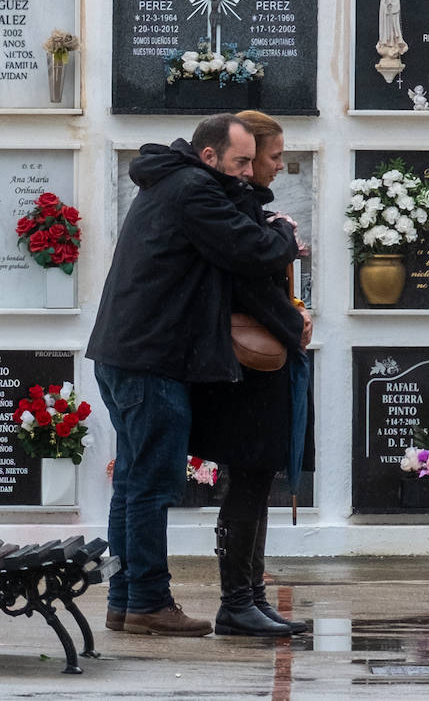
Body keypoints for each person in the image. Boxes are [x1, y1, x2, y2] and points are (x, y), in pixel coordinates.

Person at [88, 114, 298, 637]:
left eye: (254, 161)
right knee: (152, 485)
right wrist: (283, 234)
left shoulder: (174, 182)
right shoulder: (192, 190)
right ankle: (150, 602)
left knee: (134, 484)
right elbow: (247, 250)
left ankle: (126, 600)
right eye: (240, 162)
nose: (248, 174)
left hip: (128, 355)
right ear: (210, 156)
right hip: (151, 361)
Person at [189, 110, 313, 637]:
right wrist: (293, 324)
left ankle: (251, 597)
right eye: (273, 157)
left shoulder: (247, 206)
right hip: (247, 373)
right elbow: (250, 287)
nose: (279, 167)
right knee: (248, 483)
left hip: (256, 370)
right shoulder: (237, 205)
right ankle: (237, 602)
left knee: (256, 483)